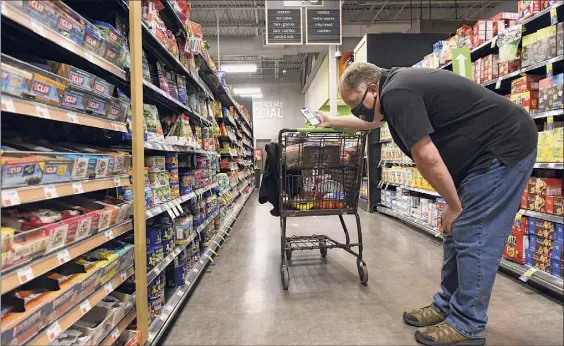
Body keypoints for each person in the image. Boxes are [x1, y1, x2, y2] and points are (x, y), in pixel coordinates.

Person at [316, 62, 538, 346]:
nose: (354, 109)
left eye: (353, 103)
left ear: (372, 89)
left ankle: (468, 324)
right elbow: (372, 121)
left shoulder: (397, 93)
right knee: (454, 230)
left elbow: (427, 157)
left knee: (472, 231)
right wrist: (333, 121)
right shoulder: (391, 90)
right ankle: (446, 305)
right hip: (480, 156)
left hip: (504, 148)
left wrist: (454, 204)